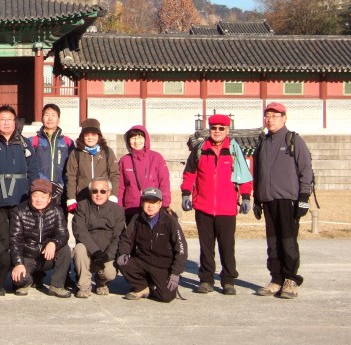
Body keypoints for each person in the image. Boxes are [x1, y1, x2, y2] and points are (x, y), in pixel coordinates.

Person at [181, 114, 252, 295]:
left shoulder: (234, 150)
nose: (217, 131)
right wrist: (186, 194)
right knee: (206, 247)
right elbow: (189, 174)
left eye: (221, 128)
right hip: (203, 206)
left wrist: (245, 197)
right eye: (214, 128)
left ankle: (228, 281)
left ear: (227, 130)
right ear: (209, 129)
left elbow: (244, 175)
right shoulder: (200, 149)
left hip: (226, 208)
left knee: (227, 247)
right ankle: (206, 280)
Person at [253, 102, 314, 299]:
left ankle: (290, 279)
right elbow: (258, 172)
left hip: (288, 199)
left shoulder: (293, 140)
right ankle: (276, 278)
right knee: (272, 242)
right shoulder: (263, 142)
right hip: (268, 199)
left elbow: (306, 170)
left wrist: (304, 197)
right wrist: (257, 198)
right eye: (267, 116)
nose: (270, 120)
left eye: (275, 116)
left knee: (288, 241)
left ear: (284, 118)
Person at [116, 187, 187, 302]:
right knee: (121, 261)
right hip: (142, 261)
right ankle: (142, 287)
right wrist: (123, 253)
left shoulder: (170, 221)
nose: (150, 206)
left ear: (160, 204)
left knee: (166, 297)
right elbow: (126, 239)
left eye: (154, 202)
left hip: (163, 266)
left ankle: (153, 286)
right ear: (142, 203)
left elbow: (181, 249)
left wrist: (176, 272)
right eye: (147, 201)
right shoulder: (136, 219)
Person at [9, 179, 72, 298]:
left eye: (43, 196)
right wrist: (18, 263)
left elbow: (63, 234)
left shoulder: (57, 210)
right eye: (35, 195)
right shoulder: (19, 211)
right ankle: (28, 281)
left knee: (65, 250)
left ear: (49, 198)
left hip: (47, 256)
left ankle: (56, 285)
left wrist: (54, 243)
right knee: (18, 279)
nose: (39, 199)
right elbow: (15, 240)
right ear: (30, 196)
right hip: (27, 256)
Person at [71, 177, 125, 298]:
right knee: (79, 249)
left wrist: (107, 255)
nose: (98, 194)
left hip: (106, 252)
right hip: (88, 251)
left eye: (103, 191)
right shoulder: (82, 207)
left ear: (109, 192)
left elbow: (118, 237)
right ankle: (84, 285)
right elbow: (80, 231)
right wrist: (95, 251)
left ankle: (101, 282)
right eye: (94, 191)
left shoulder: (117, 210)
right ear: (90, 192)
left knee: (110, 274)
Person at [117, 125, 171, 222]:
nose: (137, 141)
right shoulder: (124, 160)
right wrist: (118, 207)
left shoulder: (156, 158)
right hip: (131, 208)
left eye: (140, 137)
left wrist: (165, 203)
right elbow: (120, 187)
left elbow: (164, 182)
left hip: (152, 206)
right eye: (133, 138)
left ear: (146, 139)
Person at [65, 118, 119, 212]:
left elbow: (114, 175)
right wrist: (71, 198)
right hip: (83, 198)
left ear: (98, 136)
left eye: (93, 134)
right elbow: (71, 176)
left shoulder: (107, 152)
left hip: (103, 197)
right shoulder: (76, 153)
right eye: (87, 135)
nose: (90, 138)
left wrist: (113, 195)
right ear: (82, 137)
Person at [31, 103, 74, 206]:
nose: (50, 118)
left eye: (53, 115)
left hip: (61, 190)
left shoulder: (67, 142)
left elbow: (71, 168)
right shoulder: (33, 141)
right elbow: (31, 166)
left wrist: (61, 185)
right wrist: (47, 184)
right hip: (40, 190)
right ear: (42, 118)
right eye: (47, 115)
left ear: (58, 120)